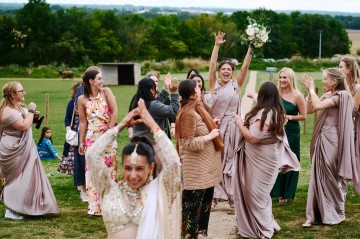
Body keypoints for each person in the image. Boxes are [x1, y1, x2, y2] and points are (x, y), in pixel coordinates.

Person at [86, 98, 182, 239]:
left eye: (139, 169)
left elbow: (173, 163)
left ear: (151, 167)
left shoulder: (161, 192)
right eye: (128, 168)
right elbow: (92, 155)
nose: (133, 175)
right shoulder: (109, 189)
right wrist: (121, 125)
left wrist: (152, 124)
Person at [232, 81, 300, 239]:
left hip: (261, 159)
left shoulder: (266, 114)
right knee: (261, 194)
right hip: (266, 156)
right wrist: (252, 95)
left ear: (262, 96)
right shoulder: (276, 110)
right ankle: (265, 222)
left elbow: (252, 137)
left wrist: (239, 123)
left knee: (255, 195)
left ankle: (262, 227)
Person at [301, 68, 358, 227]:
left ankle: (335, 212)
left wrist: (312, 89)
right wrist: (309, 93)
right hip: (322, 138)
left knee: (329, 175)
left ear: (334, 81)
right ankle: (313, 215)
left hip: (332, 140)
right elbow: (310, 109)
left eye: (325, 79)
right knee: (317, 175)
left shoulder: (342, 96)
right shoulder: (328, 95)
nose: (323, 81)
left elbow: (318, 105)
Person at [0, 81, 59, 219]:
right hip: (13, 147)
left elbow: (32, 120)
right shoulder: (7, 111)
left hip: (25, 146)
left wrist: (34, 115)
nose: (24, 93)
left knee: (26, 177)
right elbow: (24, 126)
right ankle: (10, 209)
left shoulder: (18, 107)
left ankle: (25, 205)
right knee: (15, 178)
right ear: (13, 94)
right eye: (21, 91)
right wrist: (31, 110)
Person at [208, 31, 253, 207]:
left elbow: (245, 68)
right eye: (223, 69)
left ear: (233, 73)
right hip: (217, 128)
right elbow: (211, 65)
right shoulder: (214, 85)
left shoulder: (236, 85)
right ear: (219, 73)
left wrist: (251, 48)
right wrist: (217, 46)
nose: (226, 71)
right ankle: (215, 195)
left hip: (233, 128)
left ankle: (233, 195)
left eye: (229, 70)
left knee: (232, 160)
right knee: (216, 160)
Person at [175, 79, 223, 239]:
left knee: (201, 204)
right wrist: (210, 136)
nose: (200, 89)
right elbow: (186, 143)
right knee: (191, 209)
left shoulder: (196, 108)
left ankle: (196, 234)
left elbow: (197, 130)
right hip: (196, 170)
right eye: (197, 87)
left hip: (206, 168)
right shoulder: (188, 113)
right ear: (193, 92)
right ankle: (187, 235)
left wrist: (211, 124)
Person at [78, 66, 118, 216]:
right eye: (99, 78)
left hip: (107, 136)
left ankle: (110, 205)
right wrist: (81, 141)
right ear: (91, 81)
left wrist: (110, 130)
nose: (102, 81)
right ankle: (94, 207)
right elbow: (83, 122)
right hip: (91, 139)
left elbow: (114, 112)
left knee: (110, 170)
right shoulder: (81, 99)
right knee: (93, 172)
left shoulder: (106, 92)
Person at [270, 67, 306, 202]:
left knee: (290, 160)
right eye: (280, 77)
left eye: (285, 77)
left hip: (291, 132)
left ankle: (287, 193)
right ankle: (276, 192)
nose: (282, 80)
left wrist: (288, 117)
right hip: (277, 131)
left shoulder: (297, 95)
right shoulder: (276, 94)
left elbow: (303, 116)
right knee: (277, 160)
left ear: (290, 79)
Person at [128, 72, 174, 140]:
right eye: (152, 82)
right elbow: (171, 110)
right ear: (150, 89)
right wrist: (174, 93)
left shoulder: (140, 100)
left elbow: (156, 102)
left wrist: (165, 88)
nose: (155, 83)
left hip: (140, 138)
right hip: (154, 139)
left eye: (156, 81)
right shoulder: (151, 104)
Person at [338, 56, 360, 193]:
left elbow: (353, 110)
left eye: (340, 67)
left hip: (354, 127)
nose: (338, 69)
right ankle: (341, 189)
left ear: (349, 68)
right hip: (344, 125)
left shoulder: (358, 88)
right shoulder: (342, 86)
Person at [58, 81, 82, 176]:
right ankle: (77, 175)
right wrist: (68, 131)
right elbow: (67, 118)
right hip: (75, 129)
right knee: (73, 151)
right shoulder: (72, 102)